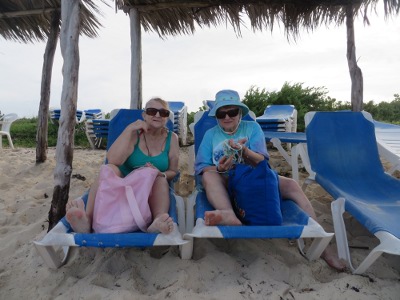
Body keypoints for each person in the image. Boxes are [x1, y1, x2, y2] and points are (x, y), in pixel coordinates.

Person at [195, 89, 346, 271]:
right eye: (221, 113)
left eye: (232, 112)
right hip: (224, 181)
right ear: (216, 116)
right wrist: (219, 169)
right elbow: (201, 167)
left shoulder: (252, 128)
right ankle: (227, 213)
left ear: (240, 113)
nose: (227, 117)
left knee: (291, 184)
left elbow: (262, 161)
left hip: (250, 181)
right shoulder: (210, 134)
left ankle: (323, 244)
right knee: (209, 176)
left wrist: (245, 152)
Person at [65, 98, 180, 234]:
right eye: (152, 111)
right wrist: (129, 129)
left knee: (160, 179)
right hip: (123, 188)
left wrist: (161, 174)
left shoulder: (172, 138)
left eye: (163, 112)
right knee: (108, 169)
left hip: (150, 191)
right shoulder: (135, 134)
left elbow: (173, 170)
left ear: (167, 118)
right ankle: (87, 220)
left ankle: (158, 220)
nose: (157, 115)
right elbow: (112, 159)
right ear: (144, 115)